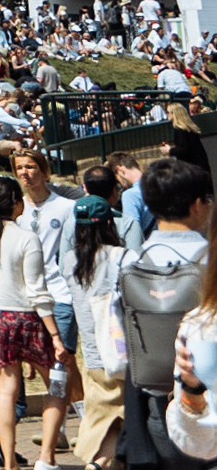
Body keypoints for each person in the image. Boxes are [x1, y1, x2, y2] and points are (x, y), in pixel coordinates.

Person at [114, 157, 213, 470]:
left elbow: (118, 342)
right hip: (209, 403)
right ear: (198, 204)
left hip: (155, 402)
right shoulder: (210, 262)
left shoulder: (130, 262)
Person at [0, 175, 66, 470]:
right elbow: (37, 291)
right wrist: (56, 336)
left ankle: (9, 462)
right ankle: (46, 458)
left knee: (7, 390)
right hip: (27, 319)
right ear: (17, 203)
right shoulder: (26, 238)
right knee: (59, 384)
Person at [16, 149, 80, 468]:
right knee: (57, 365)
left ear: (44, 170)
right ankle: (75, 418)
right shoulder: (16, 210)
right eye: (19, 168)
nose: (25, 173)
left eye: (30, 167)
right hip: (28, 299)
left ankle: (50, 451)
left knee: (60, 364)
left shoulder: (67, 207)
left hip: (61, 295)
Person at [61, 177, 127, 470]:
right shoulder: (123, 257)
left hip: (93, 354)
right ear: (109, 225)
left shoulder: (69, 262)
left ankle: (101, 463)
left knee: (106, 417)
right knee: (121, 418)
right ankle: (98, 464)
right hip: (124, 353)